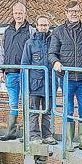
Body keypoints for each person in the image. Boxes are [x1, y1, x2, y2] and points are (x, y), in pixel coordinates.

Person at [49, 0, 82, 152]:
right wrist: (55, 62)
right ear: (66, 13)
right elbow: (52, 53)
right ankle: (68, 141)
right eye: (71, 11)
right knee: (68, 110)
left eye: (76, 11)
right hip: (66, 78)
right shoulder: (58, 31)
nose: (74, 14)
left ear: (80, 12)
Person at [0, 2, 35, 141]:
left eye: (21, 13)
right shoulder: (7, 31)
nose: (18, 15)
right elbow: (2, 51)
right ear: (12, 13)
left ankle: (27, 133)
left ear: (25, 14)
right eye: (16, 13)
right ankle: (11, 131)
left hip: (25, 73)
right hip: (10, 73)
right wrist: (1, 70)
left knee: (27, 102)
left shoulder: (31, 31)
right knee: (13, 103)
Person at [20, 14, 55, 143]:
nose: (43, 27)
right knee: (33, 112)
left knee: (48, 112)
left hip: (50, 83)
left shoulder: (54, 42)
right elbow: (24, 65)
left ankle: (47, 135)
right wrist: (25, 85)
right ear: (36, 26)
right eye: (41, 25)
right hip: (34, 84)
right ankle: (34, 136)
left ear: (49, 26)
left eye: (45, 25)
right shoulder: (30, 43)